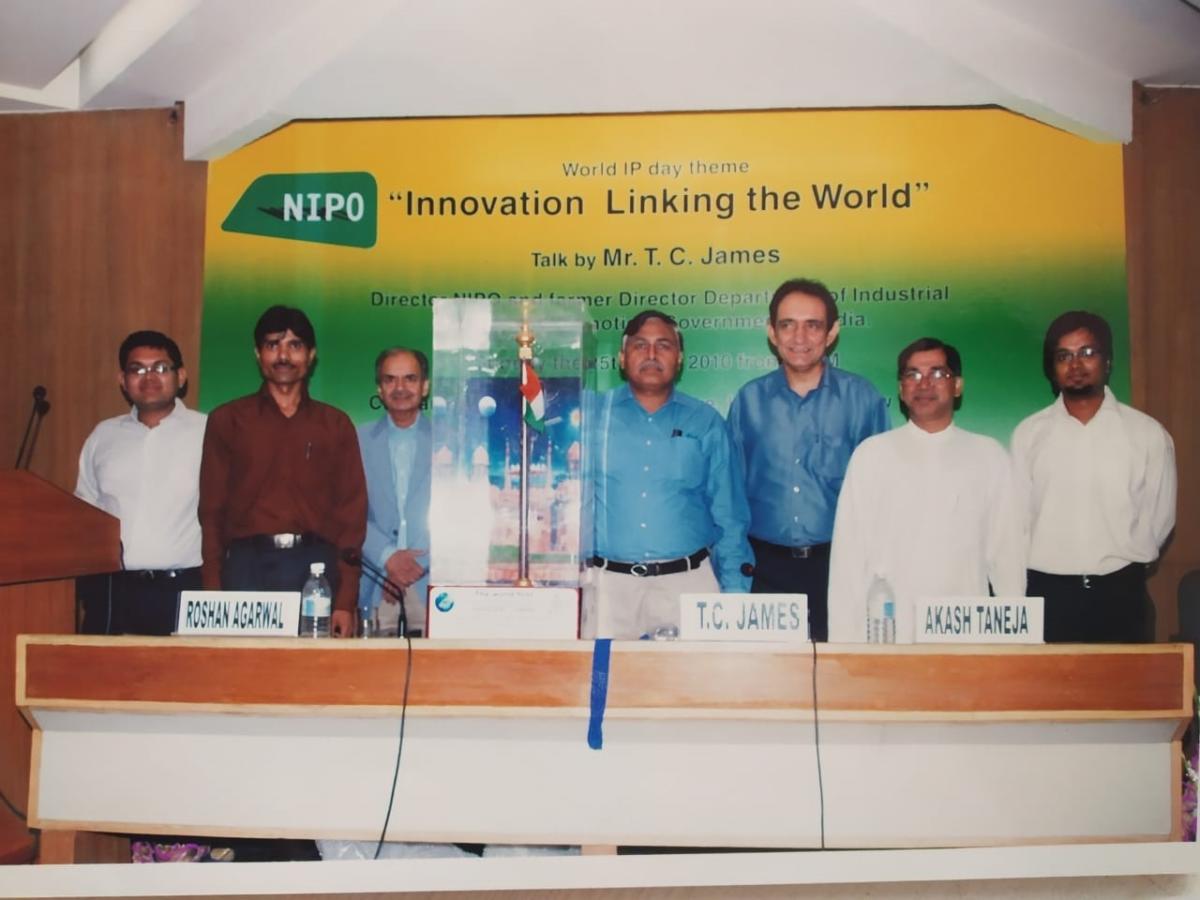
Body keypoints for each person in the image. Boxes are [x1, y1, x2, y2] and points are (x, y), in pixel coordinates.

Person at [827, 338, 1025, 642]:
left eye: (937, 373)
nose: (924, 384)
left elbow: (1007, 556)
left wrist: (1015, 640)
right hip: (889, 634)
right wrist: (845, 645)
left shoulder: (989, 455)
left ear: (957, 385)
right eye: (913, 374)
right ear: (901, 389)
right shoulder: (872, 454)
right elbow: (848, 560)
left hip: (967, 633)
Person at [727, 278, 888, 641]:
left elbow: (884, 495)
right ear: (772, 332)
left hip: (841, 567)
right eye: (788, 324)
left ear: (832, 332)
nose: (799, 337)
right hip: (765, 571)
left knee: (841, 671)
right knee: (770, 673)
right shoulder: (749, 401)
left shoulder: (862, 399)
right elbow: (730, 496)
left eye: (812, 325)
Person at [198, 305, 367, 638]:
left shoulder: (335, 425)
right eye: (273, 345)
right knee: (246, 668)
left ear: (311, 355)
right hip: (246, 568)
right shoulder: (228, 420)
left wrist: (345, 601)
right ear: (258, 354)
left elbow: (352, 516)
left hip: (316, 571)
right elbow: (211, 512)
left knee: (314, 669)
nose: (284, 356)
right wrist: (213, 590)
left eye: (295, 345)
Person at [585, 310, 753, 639]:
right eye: (640, 345)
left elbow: (730, 517)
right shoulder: (592, 415)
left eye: (663, 345)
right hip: (607, 589)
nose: (651, 354)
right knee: (604, 674)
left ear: (679, 358)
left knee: (692, 674)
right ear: (622, 357)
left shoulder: (705, 422)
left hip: (687, 585)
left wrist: (735, 596)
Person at [1012, 310, 1176, 643]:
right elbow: (1017, 519)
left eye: (1087, 352)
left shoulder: (1147, 434)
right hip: (1047, 597)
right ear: (1052, 369)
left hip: (1122, 595)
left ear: (1108, 361)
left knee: (1125, 680)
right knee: (1046, 681)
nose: (1075, 364)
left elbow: (1160, 519)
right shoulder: (1028, 435)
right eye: (1064, 356)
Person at [75, 330, 207, 635]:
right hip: (112, 591)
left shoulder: (208, 432)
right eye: (137, 369)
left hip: (184, 589)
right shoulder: (103, 436)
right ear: (123, 380)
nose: (149, 377)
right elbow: (84, 510)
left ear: (181, 376)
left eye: (160, 367)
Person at [357, 347, 432, 636]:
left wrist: (411, 566)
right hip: (374, 580)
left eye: (410, 378)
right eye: (390, 379)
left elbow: (460, 512)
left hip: (431, 583)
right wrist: (388, 557)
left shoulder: (449, 440)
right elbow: (345, 511)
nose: (400, 388)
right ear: (379, 388)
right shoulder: (356, 440)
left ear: (424, 387)